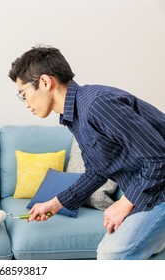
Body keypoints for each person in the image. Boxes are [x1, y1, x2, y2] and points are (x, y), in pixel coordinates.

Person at [8, 45, 165, 260]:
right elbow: (97, 172)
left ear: (45, 82)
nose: (26, 104)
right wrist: (55, 204)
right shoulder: (75, 116)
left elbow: (158, 158)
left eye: (24, 94)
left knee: (111, 255)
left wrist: (125, 202)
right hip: (149, 190)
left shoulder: (97, 105)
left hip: (159, 190)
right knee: (115, 252)